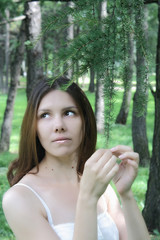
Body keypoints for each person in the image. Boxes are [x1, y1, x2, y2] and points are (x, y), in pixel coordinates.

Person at [2, 77, 150, 240]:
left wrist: (126, 194)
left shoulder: (96, 180)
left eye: (69, 113)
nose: (58, 125)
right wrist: (88, 198)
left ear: (85, 121)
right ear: (34, 127)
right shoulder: (19, 198)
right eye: (45, 115)